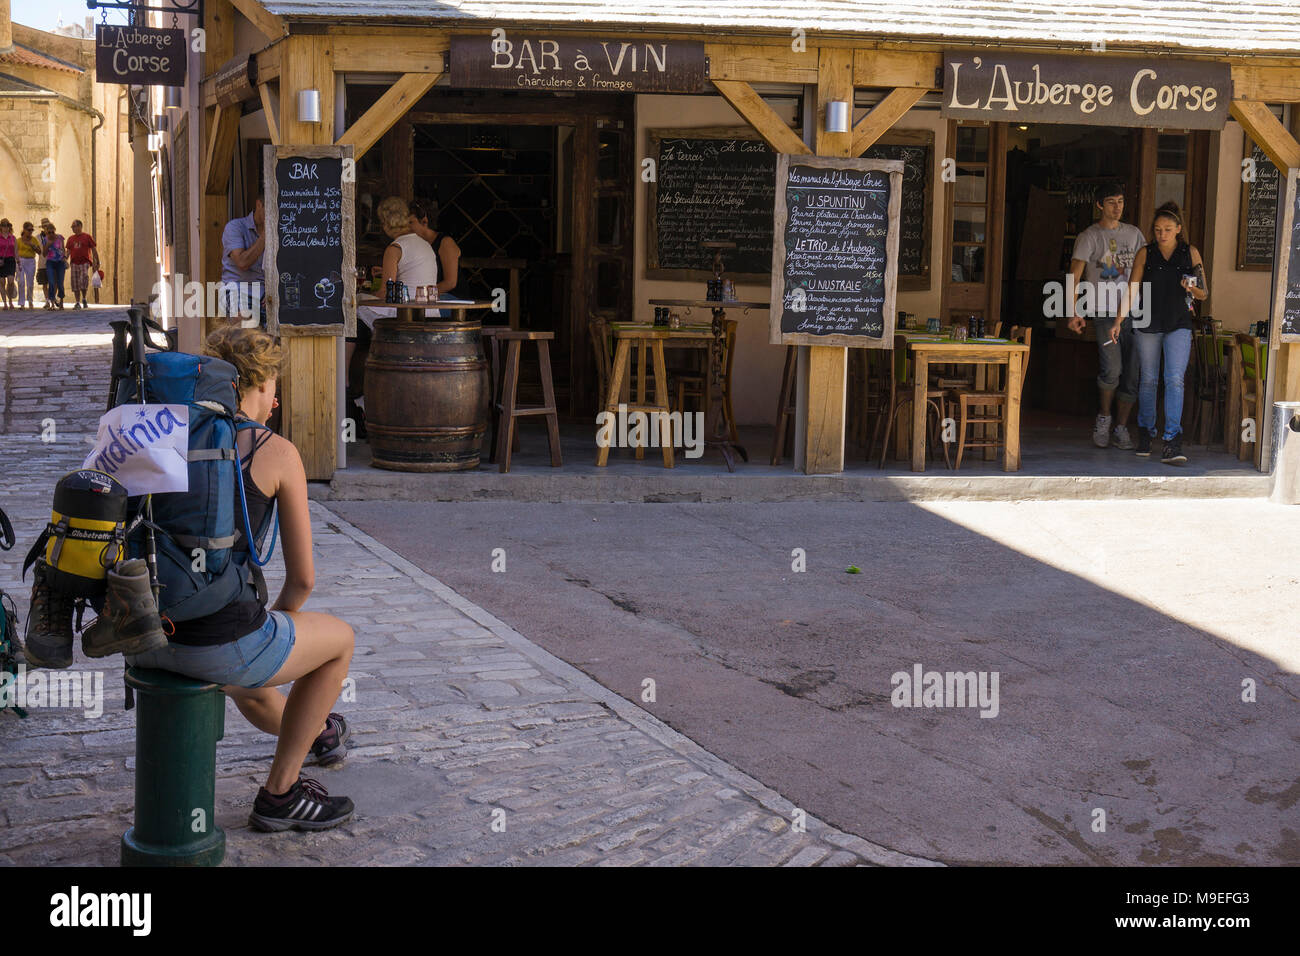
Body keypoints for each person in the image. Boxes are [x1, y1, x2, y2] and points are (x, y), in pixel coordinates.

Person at [125, 326, 357, 831]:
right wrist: (270, 631)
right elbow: (303, 580)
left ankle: (316, 733)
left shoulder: (162, 432)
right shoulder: (277, 452)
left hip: (141, 634)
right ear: (255, 385)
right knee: (336, 641)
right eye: (273, 385)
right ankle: (281, 794)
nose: (275, 400)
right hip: (215, 642)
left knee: (246, 672)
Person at [1111, 201, 1208, 465]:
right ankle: (1145, 433)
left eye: (1167, 229)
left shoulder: (1190, 253)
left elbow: (1204, 293)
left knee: (1175, 379)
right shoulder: (1146, 253)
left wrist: (1191, 287)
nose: (1161, 234)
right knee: (1149, 380)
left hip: (1178, 323)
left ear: (1178, 229)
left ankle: (1172, 440)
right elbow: (1132, 289)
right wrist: (1119, 320)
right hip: (1148, 323)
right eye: (1157, 229)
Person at [1066, 183, 1145, 450]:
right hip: (1103, 313)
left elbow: (1147, 269)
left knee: (1132, 374)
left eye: (1121, 201)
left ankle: (1121, 428)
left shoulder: (1134, 235)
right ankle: (1104, 418)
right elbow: (1074, 275)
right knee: (1112, 370)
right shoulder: (1089, 236)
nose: (1117, 207)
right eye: (1111, 201)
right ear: (1099, 205)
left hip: (1135, 313)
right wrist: (1072, 310)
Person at [409, 198, 461, 317]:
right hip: (426, 298)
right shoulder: (417, 244)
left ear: (424, 221)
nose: (407, 227)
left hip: (451, 298)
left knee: (413, 314)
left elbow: (450, 282)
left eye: (411, 222)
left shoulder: (445, 242)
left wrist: (421, 294)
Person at [221, 190, 266, 323]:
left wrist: (272, 289)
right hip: (237, 289)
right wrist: (266, 234)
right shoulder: (234, 227)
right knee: (245, 325)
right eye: (271, 208)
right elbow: (242, 262)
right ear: (259, 205)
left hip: (265, 293)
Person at [65, 220, 99, 310]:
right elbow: (68, 251)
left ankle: (84, 298)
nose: (72, 228)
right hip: (74, 263)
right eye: (72, 227)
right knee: (75, 282)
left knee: (83, 279)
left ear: (80, 226)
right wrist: (65, 259)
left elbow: (93, 249)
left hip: (85, 262)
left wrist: (97, 260)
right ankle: (77, 302)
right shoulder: (70, 239)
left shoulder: (87, 237)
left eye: (74, 226)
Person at [41, 223, 67, 310]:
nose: (51, 234)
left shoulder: (60, 237)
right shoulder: (45, 240)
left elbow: (63, 249)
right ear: (46, 233)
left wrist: (64, 258)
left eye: (52, 232)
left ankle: (61, 302)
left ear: (54, 230)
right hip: (50, 262)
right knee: (51, 282)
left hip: (60, 262)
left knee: (60, 283)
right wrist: (48, 244)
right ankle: (52, 303)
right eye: (49, 232)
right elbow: (44, 254)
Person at [15, 222, 39, 309]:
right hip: (21, 260)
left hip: (31, 261)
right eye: (29, 230)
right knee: (21, 282)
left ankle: (30, 301)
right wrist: (17, 261)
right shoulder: (18, 240)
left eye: (32, 230)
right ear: (24, 230)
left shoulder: (34, 240)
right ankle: (21, 303)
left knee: (30, 283)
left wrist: (33, 245)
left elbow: (39, 252)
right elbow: (15, 252)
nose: (31, 232)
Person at [0, 219, 15, 310]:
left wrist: (18, 262)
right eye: (3, 225)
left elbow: (15, 251)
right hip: (1, 260)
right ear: (0, 227)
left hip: (10, 260)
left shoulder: (12, 238)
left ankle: (10, 300)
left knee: (11, 281)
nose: (6, 227)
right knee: (1, 282)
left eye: (7, 225)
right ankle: (5, 303)